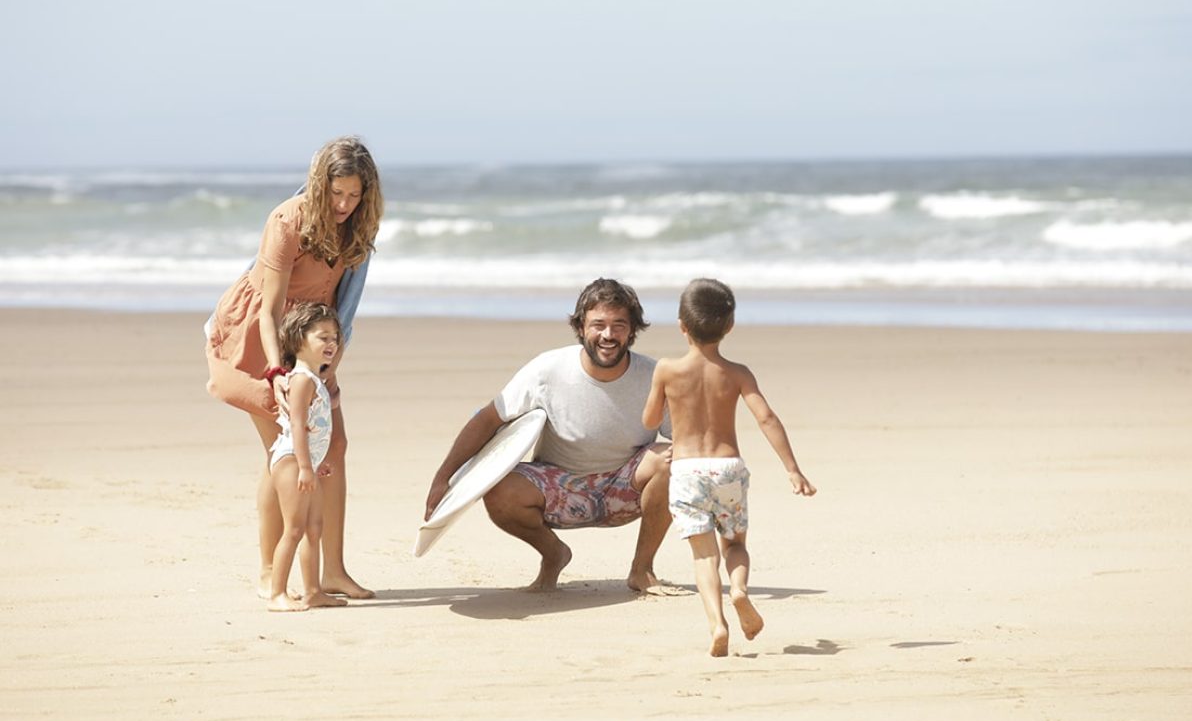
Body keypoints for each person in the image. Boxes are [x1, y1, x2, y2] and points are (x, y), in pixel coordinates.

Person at [205, 135, 383, 601]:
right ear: (319, 185)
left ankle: (333, 571)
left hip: (312, 338)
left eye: (354, 194)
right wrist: (276, 374)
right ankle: (269, 571)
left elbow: (342, 306)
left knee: (334, 446)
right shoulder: (288, 221)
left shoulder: (359, 224)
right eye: (336, 193)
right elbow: (269, 308)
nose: (344, 204)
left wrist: (329, 367)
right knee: (284, 457)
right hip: (260, 336)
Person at [423, 279, 674, 592]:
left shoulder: (653, 377)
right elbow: (488, 419)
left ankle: (641, 570)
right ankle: (554, 553)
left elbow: (691, 438)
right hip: (559, 489)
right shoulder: (548, 370)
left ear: (632, 330)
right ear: (581, 327)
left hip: (624, 489)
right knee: (499, 490)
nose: (608, 335)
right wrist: (443, 477)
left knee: (672, 460)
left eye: (618, 325)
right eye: (598, 325)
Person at [641, 278, 816, 657]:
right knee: (735, 544)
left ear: (681, 325)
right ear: (730, 326)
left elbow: (649, 418)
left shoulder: (667, 370)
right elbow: (766, 417)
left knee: (704, 556)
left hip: (687, 471)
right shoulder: (738, 372)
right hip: (727, 469)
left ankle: (717, 624)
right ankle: (739, 590)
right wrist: (792, 469)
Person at [265, 303, 348, 612]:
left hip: (307, 462)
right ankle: (277, 593)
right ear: (299, 339)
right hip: (290, 461)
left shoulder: (316, 380)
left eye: (335, 338)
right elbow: (297, 424)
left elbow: (317, 427)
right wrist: (303, 466)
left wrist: (317, 461)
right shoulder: (301, 380)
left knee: (315, 527)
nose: (331, 344)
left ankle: (313, 591)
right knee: (295, 528)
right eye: (322, 337)